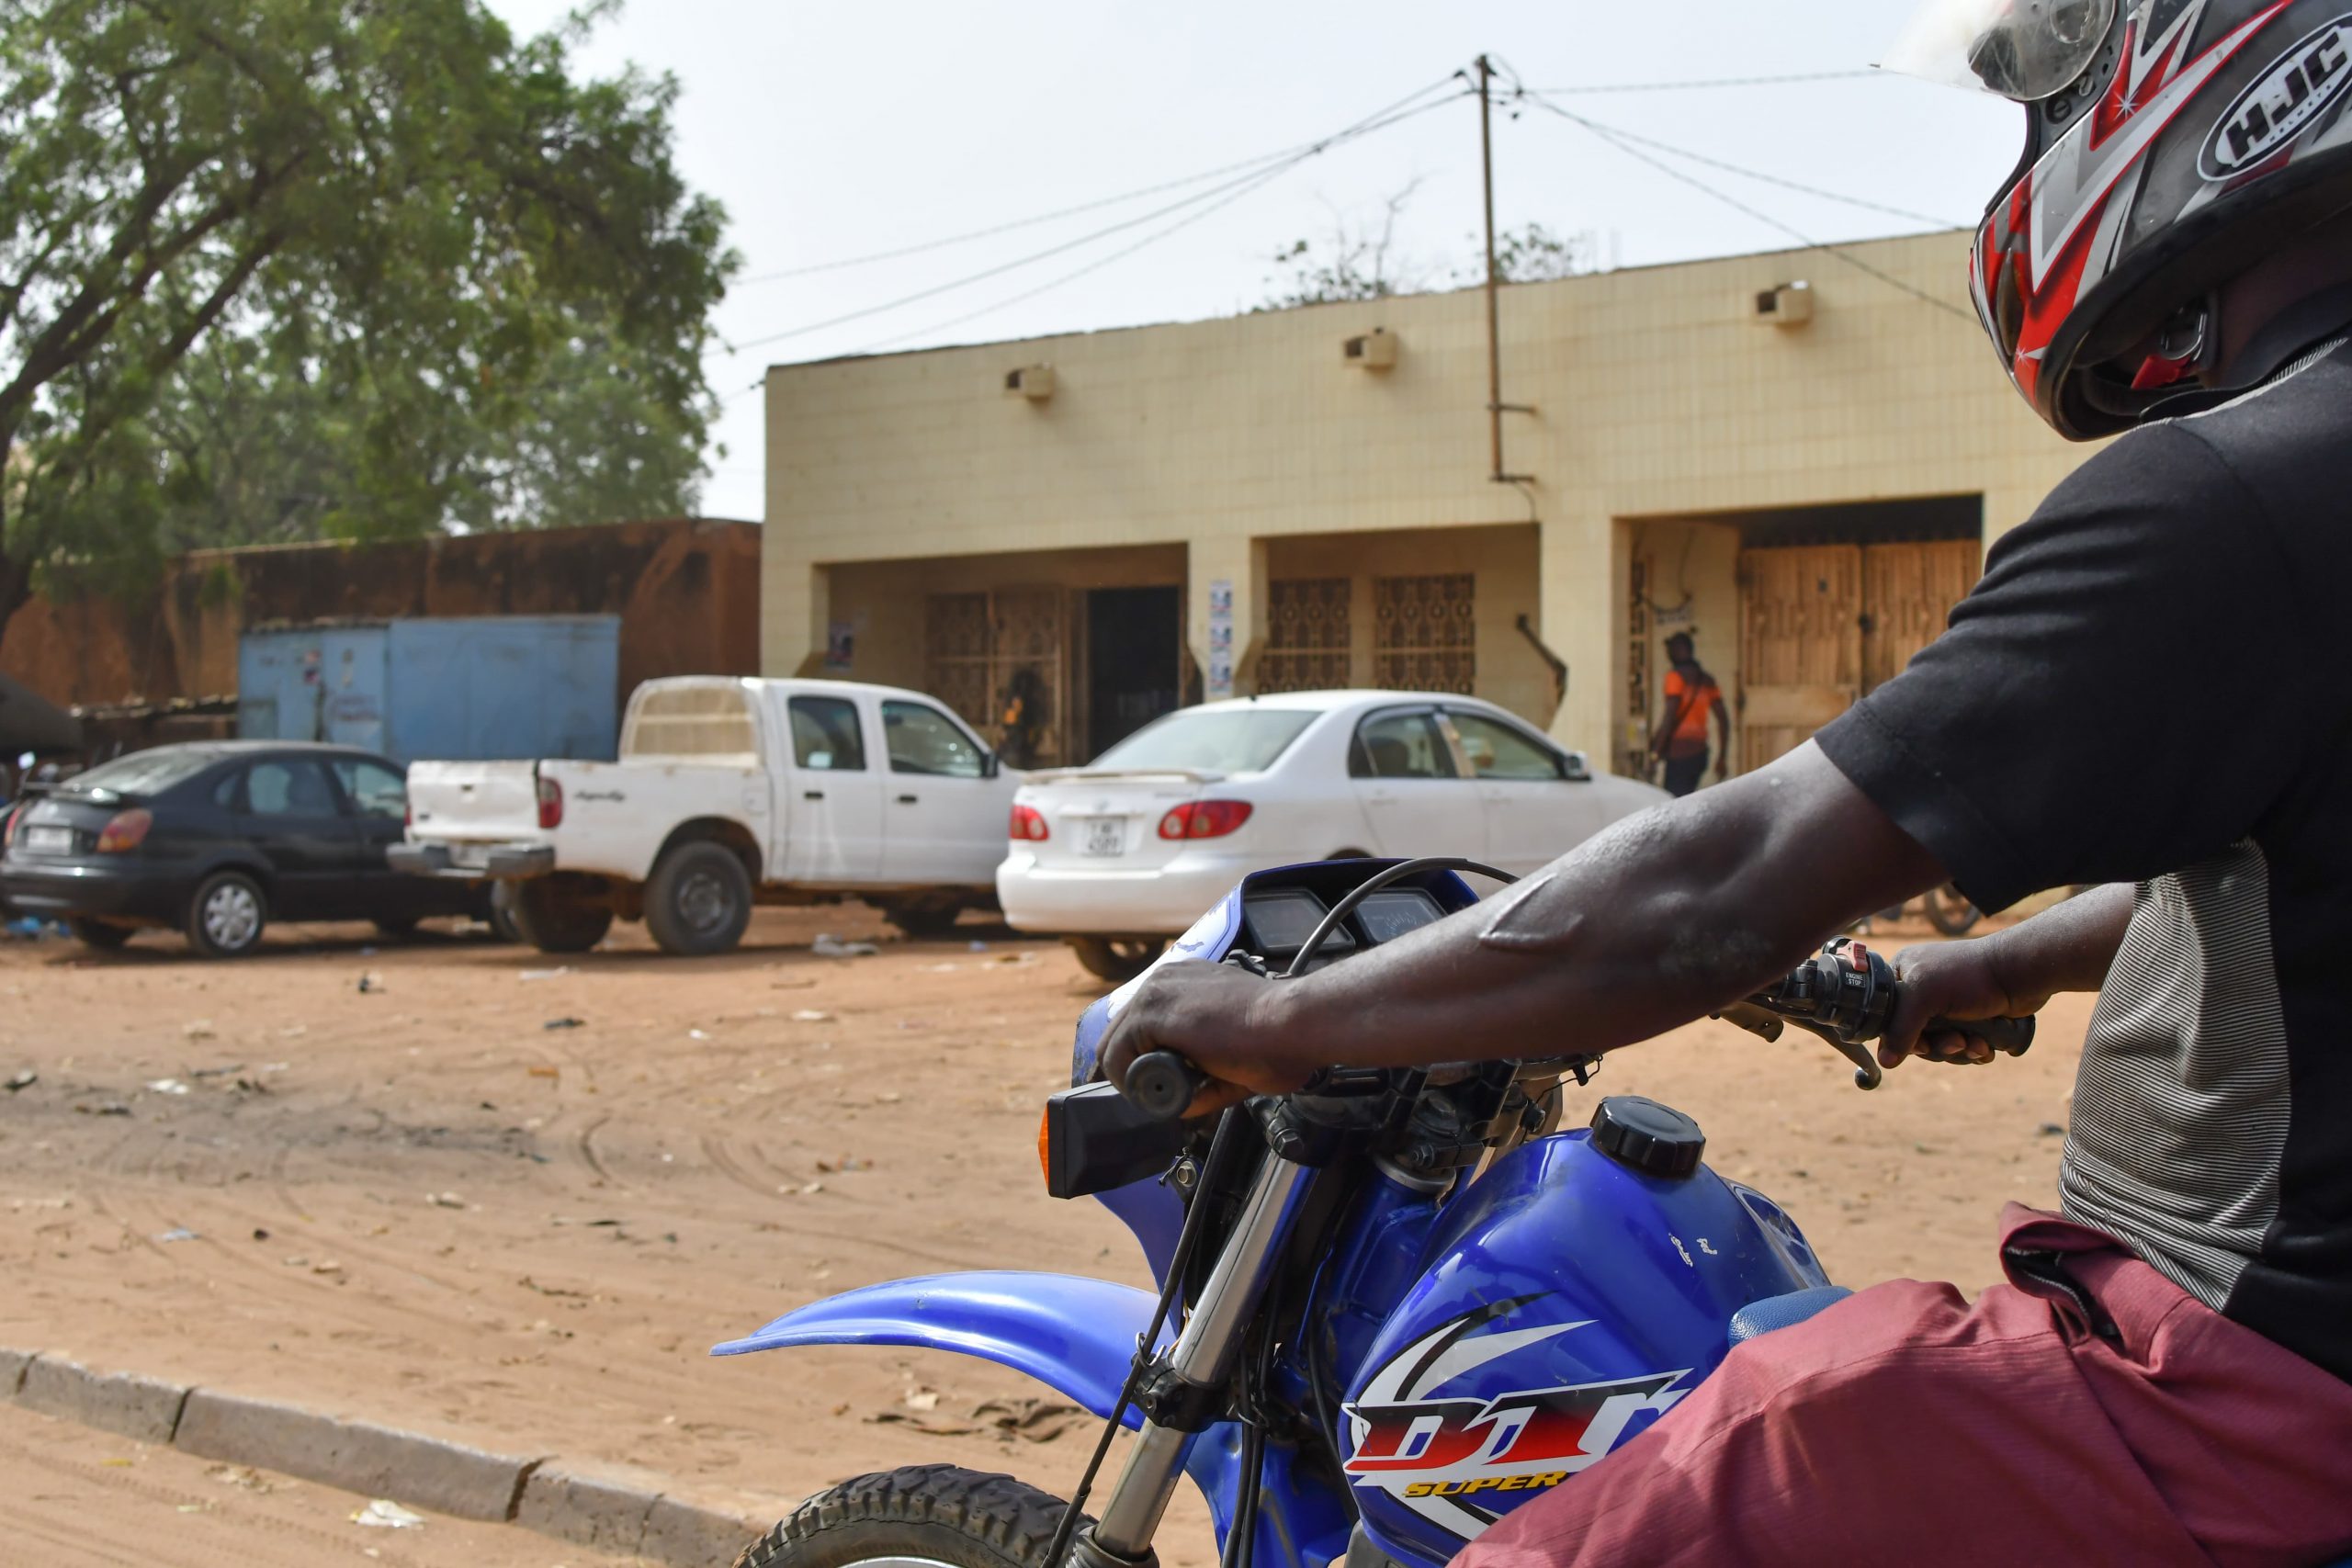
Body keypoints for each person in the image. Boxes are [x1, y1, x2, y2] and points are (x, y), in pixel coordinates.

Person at [1101, 2, 2352, 1560]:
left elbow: (1714, 889)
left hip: (2232, 1400)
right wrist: (1995, 957)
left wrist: (1280, 1021)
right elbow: (2276, 846)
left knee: (1642, 1492)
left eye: (2051, 102)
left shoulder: (2227, 504)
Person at [1648, 632, 1729, 796]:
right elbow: (1724, 720)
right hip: (1699, 755)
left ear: (1680, 650)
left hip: (1679, 755)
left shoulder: (1675, 677)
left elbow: (1669, 717)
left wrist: (1655, 754)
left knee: (1673, 804)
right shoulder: (1707, 680)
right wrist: (1722, 758)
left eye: (1670, 649)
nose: (1668, 654)